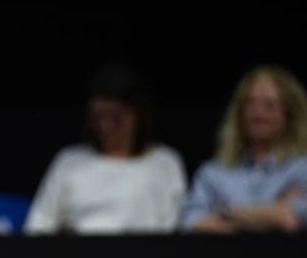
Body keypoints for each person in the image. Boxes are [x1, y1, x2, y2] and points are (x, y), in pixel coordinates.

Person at [24, 63, 187, 234]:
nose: (105, 127)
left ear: (137, 114)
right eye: (98, 117)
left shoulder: (165, 162)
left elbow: (176, 230)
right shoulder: (69, 161)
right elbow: (39, 225)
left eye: (116, 118)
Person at [180, 65, 307, 233]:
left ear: (289, 114)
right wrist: (272, 213)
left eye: (270, 105)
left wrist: (225, 212)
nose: (258, 113)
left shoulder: (302, 168)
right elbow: (190, 224)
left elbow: (289, 220)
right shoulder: (213, 173)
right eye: (250, 104)